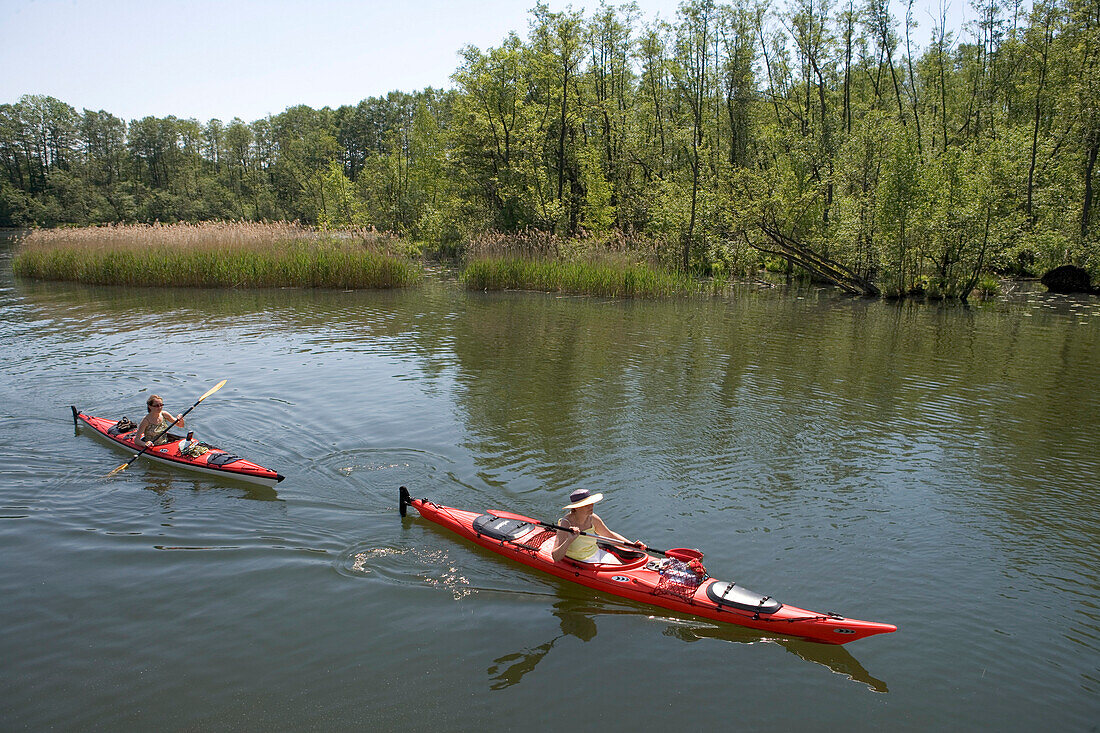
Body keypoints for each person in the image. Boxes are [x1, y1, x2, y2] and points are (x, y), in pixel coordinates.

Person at [550, 489, 646, 565]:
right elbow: (556, 557)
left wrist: (632, 545)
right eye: (586, 505)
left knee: (623, 566)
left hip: (596, 554)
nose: (591, 506)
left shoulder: (592, 518)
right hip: (580, 561)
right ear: (576, 507)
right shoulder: (565, 523)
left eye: (591, 503)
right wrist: (569, 540)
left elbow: (609, 536)